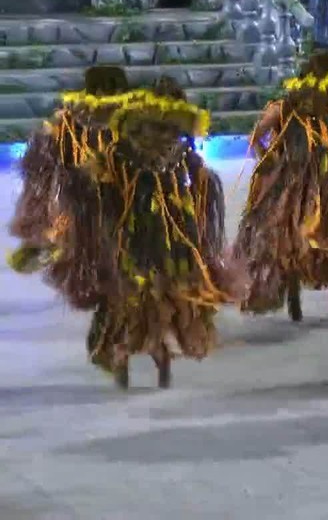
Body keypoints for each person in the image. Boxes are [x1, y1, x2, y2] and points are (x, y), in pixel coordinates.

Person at [11, 71, 245, 389]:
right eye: (151, 129)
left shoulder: (167, 155)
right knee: (135, 292)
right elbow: (96, 184)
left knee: (151, 291)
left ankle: (140, 351)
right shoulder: (123, 153)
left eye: (164, 129)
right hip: (139, 232)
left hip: (161, 233)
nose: (158, 137)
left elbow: (198, 186)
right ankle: (135, 350)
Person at [236, 48, 328, 322]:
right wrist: (267, 157)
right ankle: (292, 286)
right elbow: (256, 135)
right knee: (292, 236)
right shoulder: (286, 107)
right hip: (295, 181)